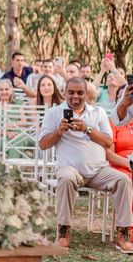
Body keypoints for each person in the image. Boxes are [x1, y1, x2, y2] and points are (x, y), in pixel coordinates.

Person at [39, 77, 133, 251]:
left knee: (123, 180)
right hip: (71, 169)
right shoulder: (54, 113)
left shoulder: (98, 112)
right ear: (64, 93)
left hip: (98, 170)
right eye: (71, 92)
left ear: (86, 94)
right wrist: (59, 131)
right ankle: (63, 232)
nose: (76, 96)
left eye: (80, 92)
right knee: (66, 177)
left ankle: (123, 234)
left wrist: (87, 129)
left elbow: (107, 140)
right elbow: (43, 144)